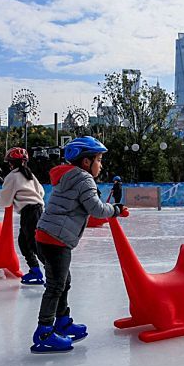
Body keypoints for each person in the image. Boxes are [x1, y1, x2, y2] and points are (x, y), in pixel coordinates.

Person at [32, 136, 125, 353]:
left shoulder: (70, 177)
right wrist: (117, 210)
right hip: (55, 239)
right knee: (56, 286)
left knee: (63, 282)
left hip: (47, 236)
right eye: (99, 160)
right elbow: (97, 210)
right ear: (86, 162)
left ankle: (62, 322)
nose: (101, 165)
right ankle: (44, 332)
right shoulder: (83, 179)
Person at [0, 147, 47, 285]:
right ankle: (35, 270)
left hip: (30, 212)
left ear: (11, 163)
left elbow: (5, 200)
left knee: (34, 245)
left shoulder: (12, 176)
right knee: (24, 242)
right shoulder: (30, 175)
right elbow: (41, 192)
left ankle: (53, 273)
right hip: (37, 209)